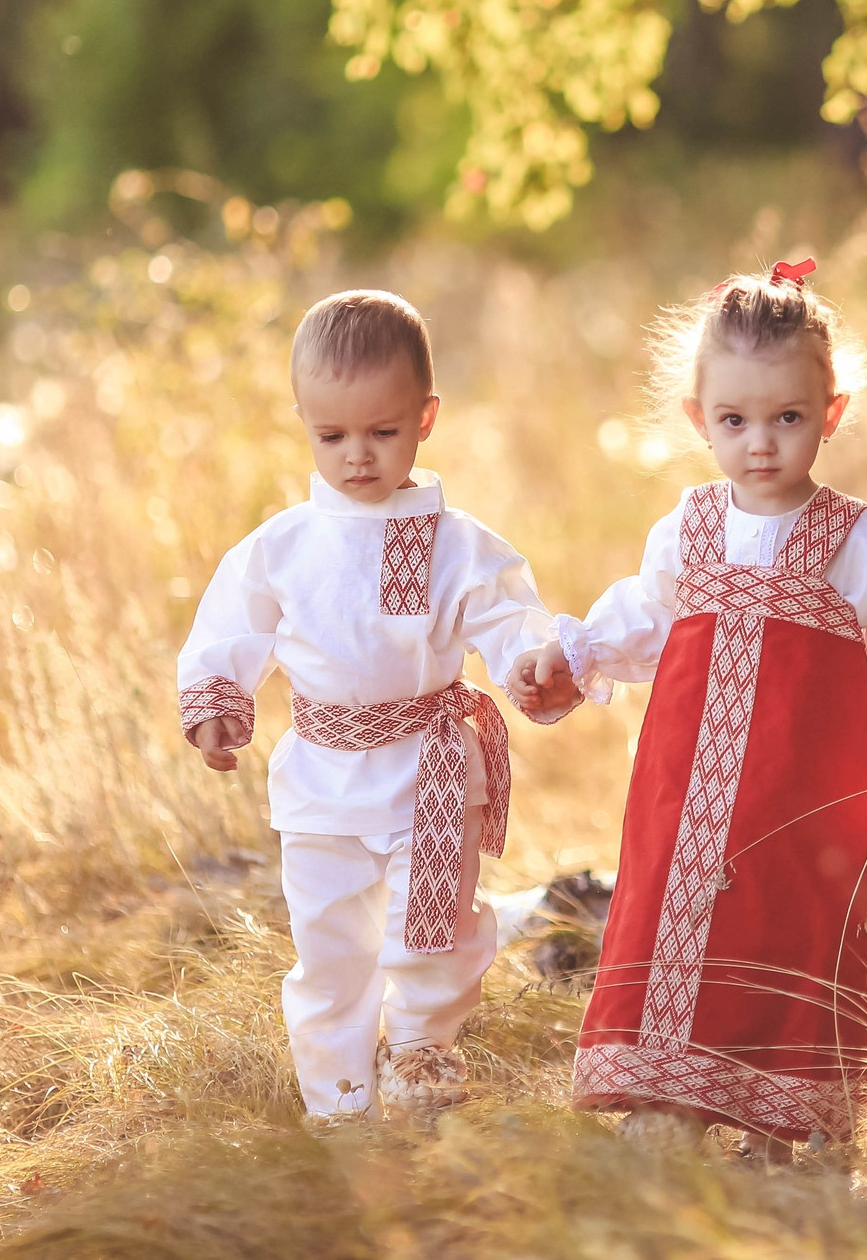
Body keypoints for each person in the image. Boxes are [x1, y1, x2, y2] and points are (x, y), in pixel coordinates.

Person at [526, 259, 867, 1157]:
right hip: (684, 786)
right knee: (665, 907)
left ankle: (784, 1109)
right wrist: (570, 659)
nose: (760, 441)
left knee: (790, 917)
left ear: (831, 413)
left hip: (798, 789)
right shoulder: (687, 528)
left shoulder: (860, 542)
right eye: (734, 420)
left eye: (788, 418)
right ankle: (667, 1099)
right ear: (699, 419)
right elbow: (641, 617)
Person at [177, 289, 577, 1125]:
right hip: (322, 780)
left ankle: (421, 1050)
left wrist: (533, 664)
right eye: (332, 435)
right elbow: (231, 626)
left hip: (425, 773)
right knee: (330, 948)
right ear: (304, 422)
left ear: (425, 417)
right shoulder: (281, 546)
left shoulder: (458, 543)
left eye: (381, 431)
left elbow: (509, 619)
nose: (357, 455)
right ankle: (340, 1101)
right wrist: (219, 698)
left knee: (433, 931)